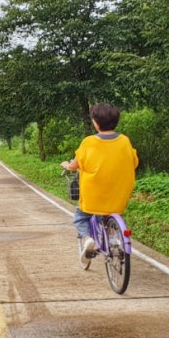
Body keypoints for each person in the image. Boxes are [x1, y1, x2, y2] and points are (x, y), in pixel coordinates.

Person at [61, 103, 139, 264]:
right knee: (109, 212)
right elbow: (134, 162)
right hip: (118, 193)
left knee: (81, 217)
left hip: (93, 194)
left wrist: (66, 165)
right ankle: (113, 238)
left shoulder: (88, 142)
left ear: (96, 122)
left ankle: (88, 239)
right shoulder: (124, 141)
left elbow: (74, 165)